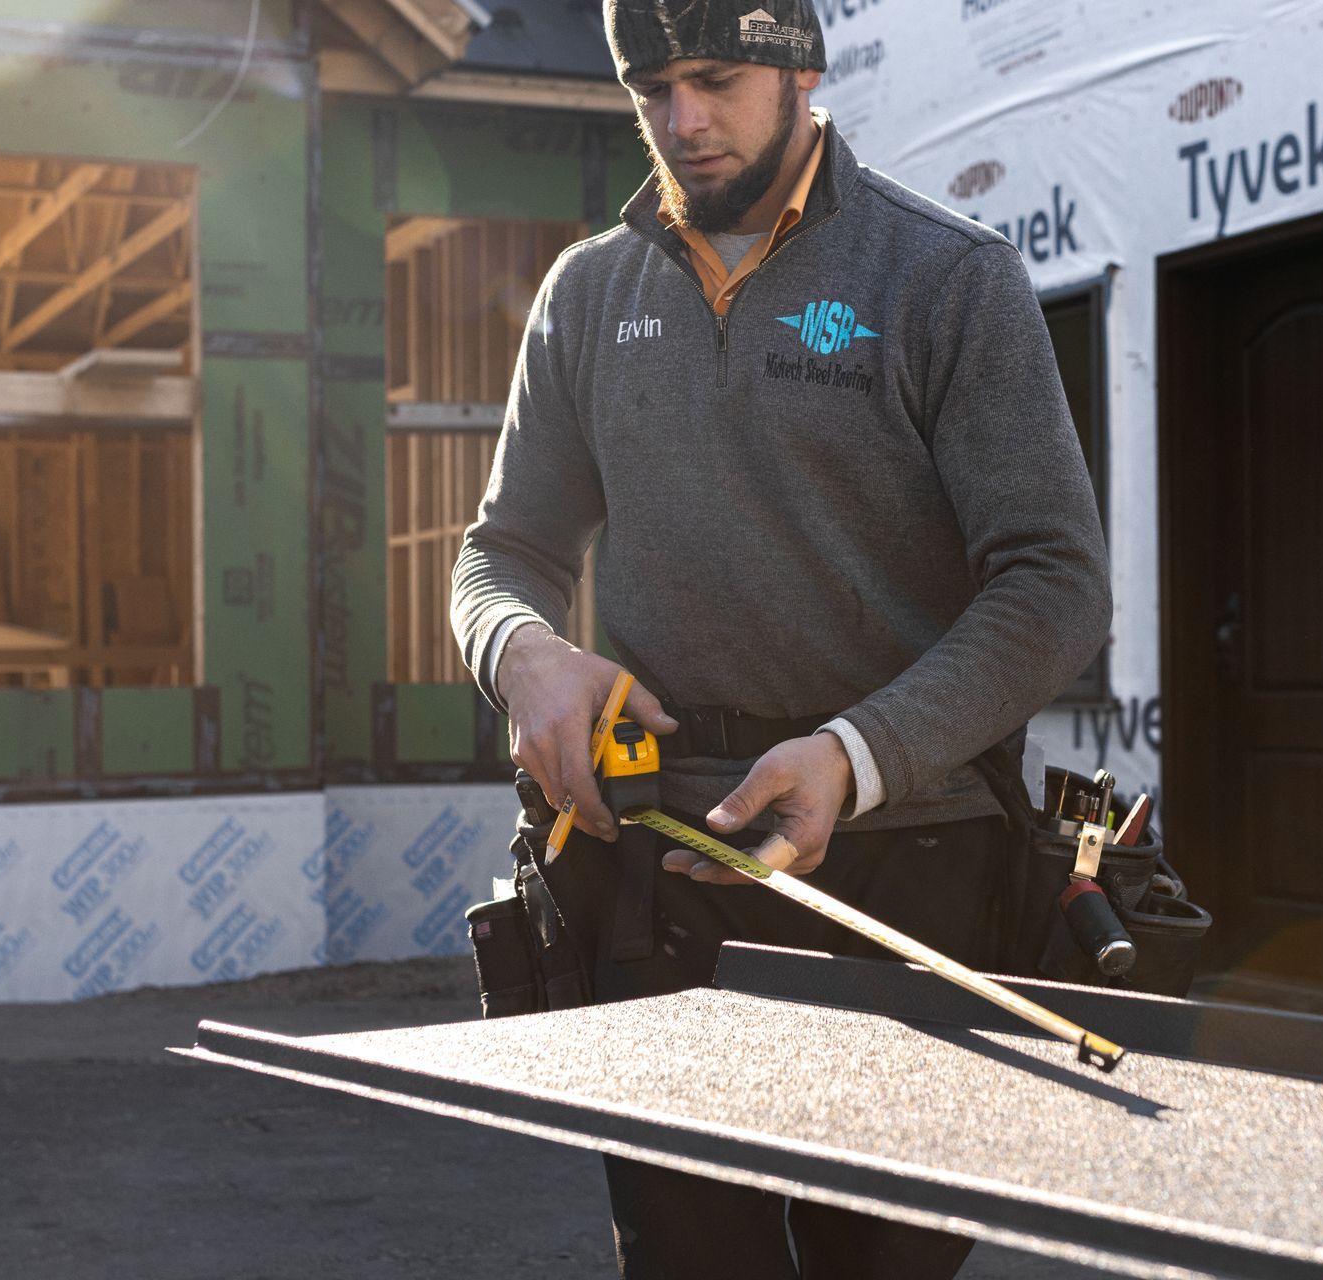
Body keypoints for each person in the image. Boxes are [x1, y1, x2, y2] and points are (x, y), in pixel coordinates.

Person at [449, 1, 1110, 1274]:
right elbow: (499, 555)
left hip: (907, 875)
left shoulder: (945, 277)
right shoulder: (588, 292)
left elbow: (1057, 582)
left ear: (804, 63)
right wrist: (521, 651)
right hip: (660, 887)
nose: (681, 121)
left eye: (715, 79)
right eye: (651, 88)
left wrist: (857, 751)